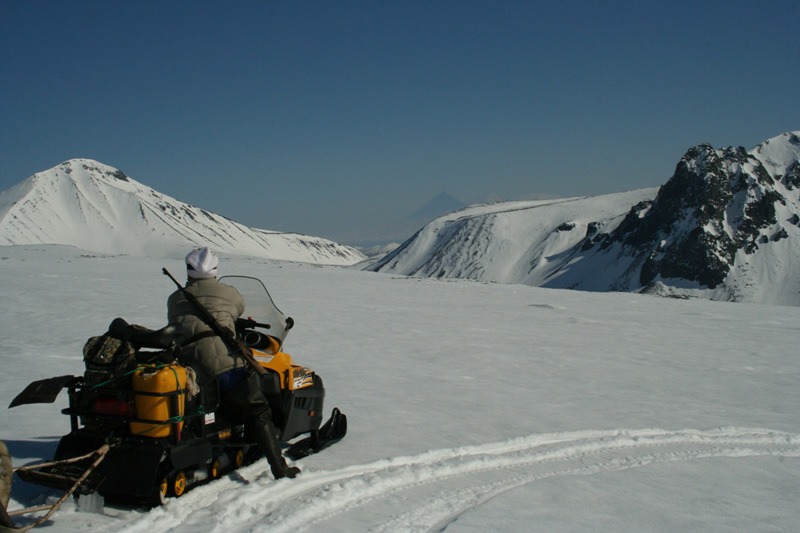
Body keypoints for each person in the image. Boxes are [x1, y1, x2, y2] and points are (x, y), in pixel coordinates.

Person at [167, 247, 300, 479]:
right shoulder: (229, 294)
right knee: (257, 409)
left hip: (186, 366)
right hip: (222, 363)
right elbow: (237, 309)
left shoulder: (175, 298)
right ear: (215, 269)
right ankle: (280, 467)